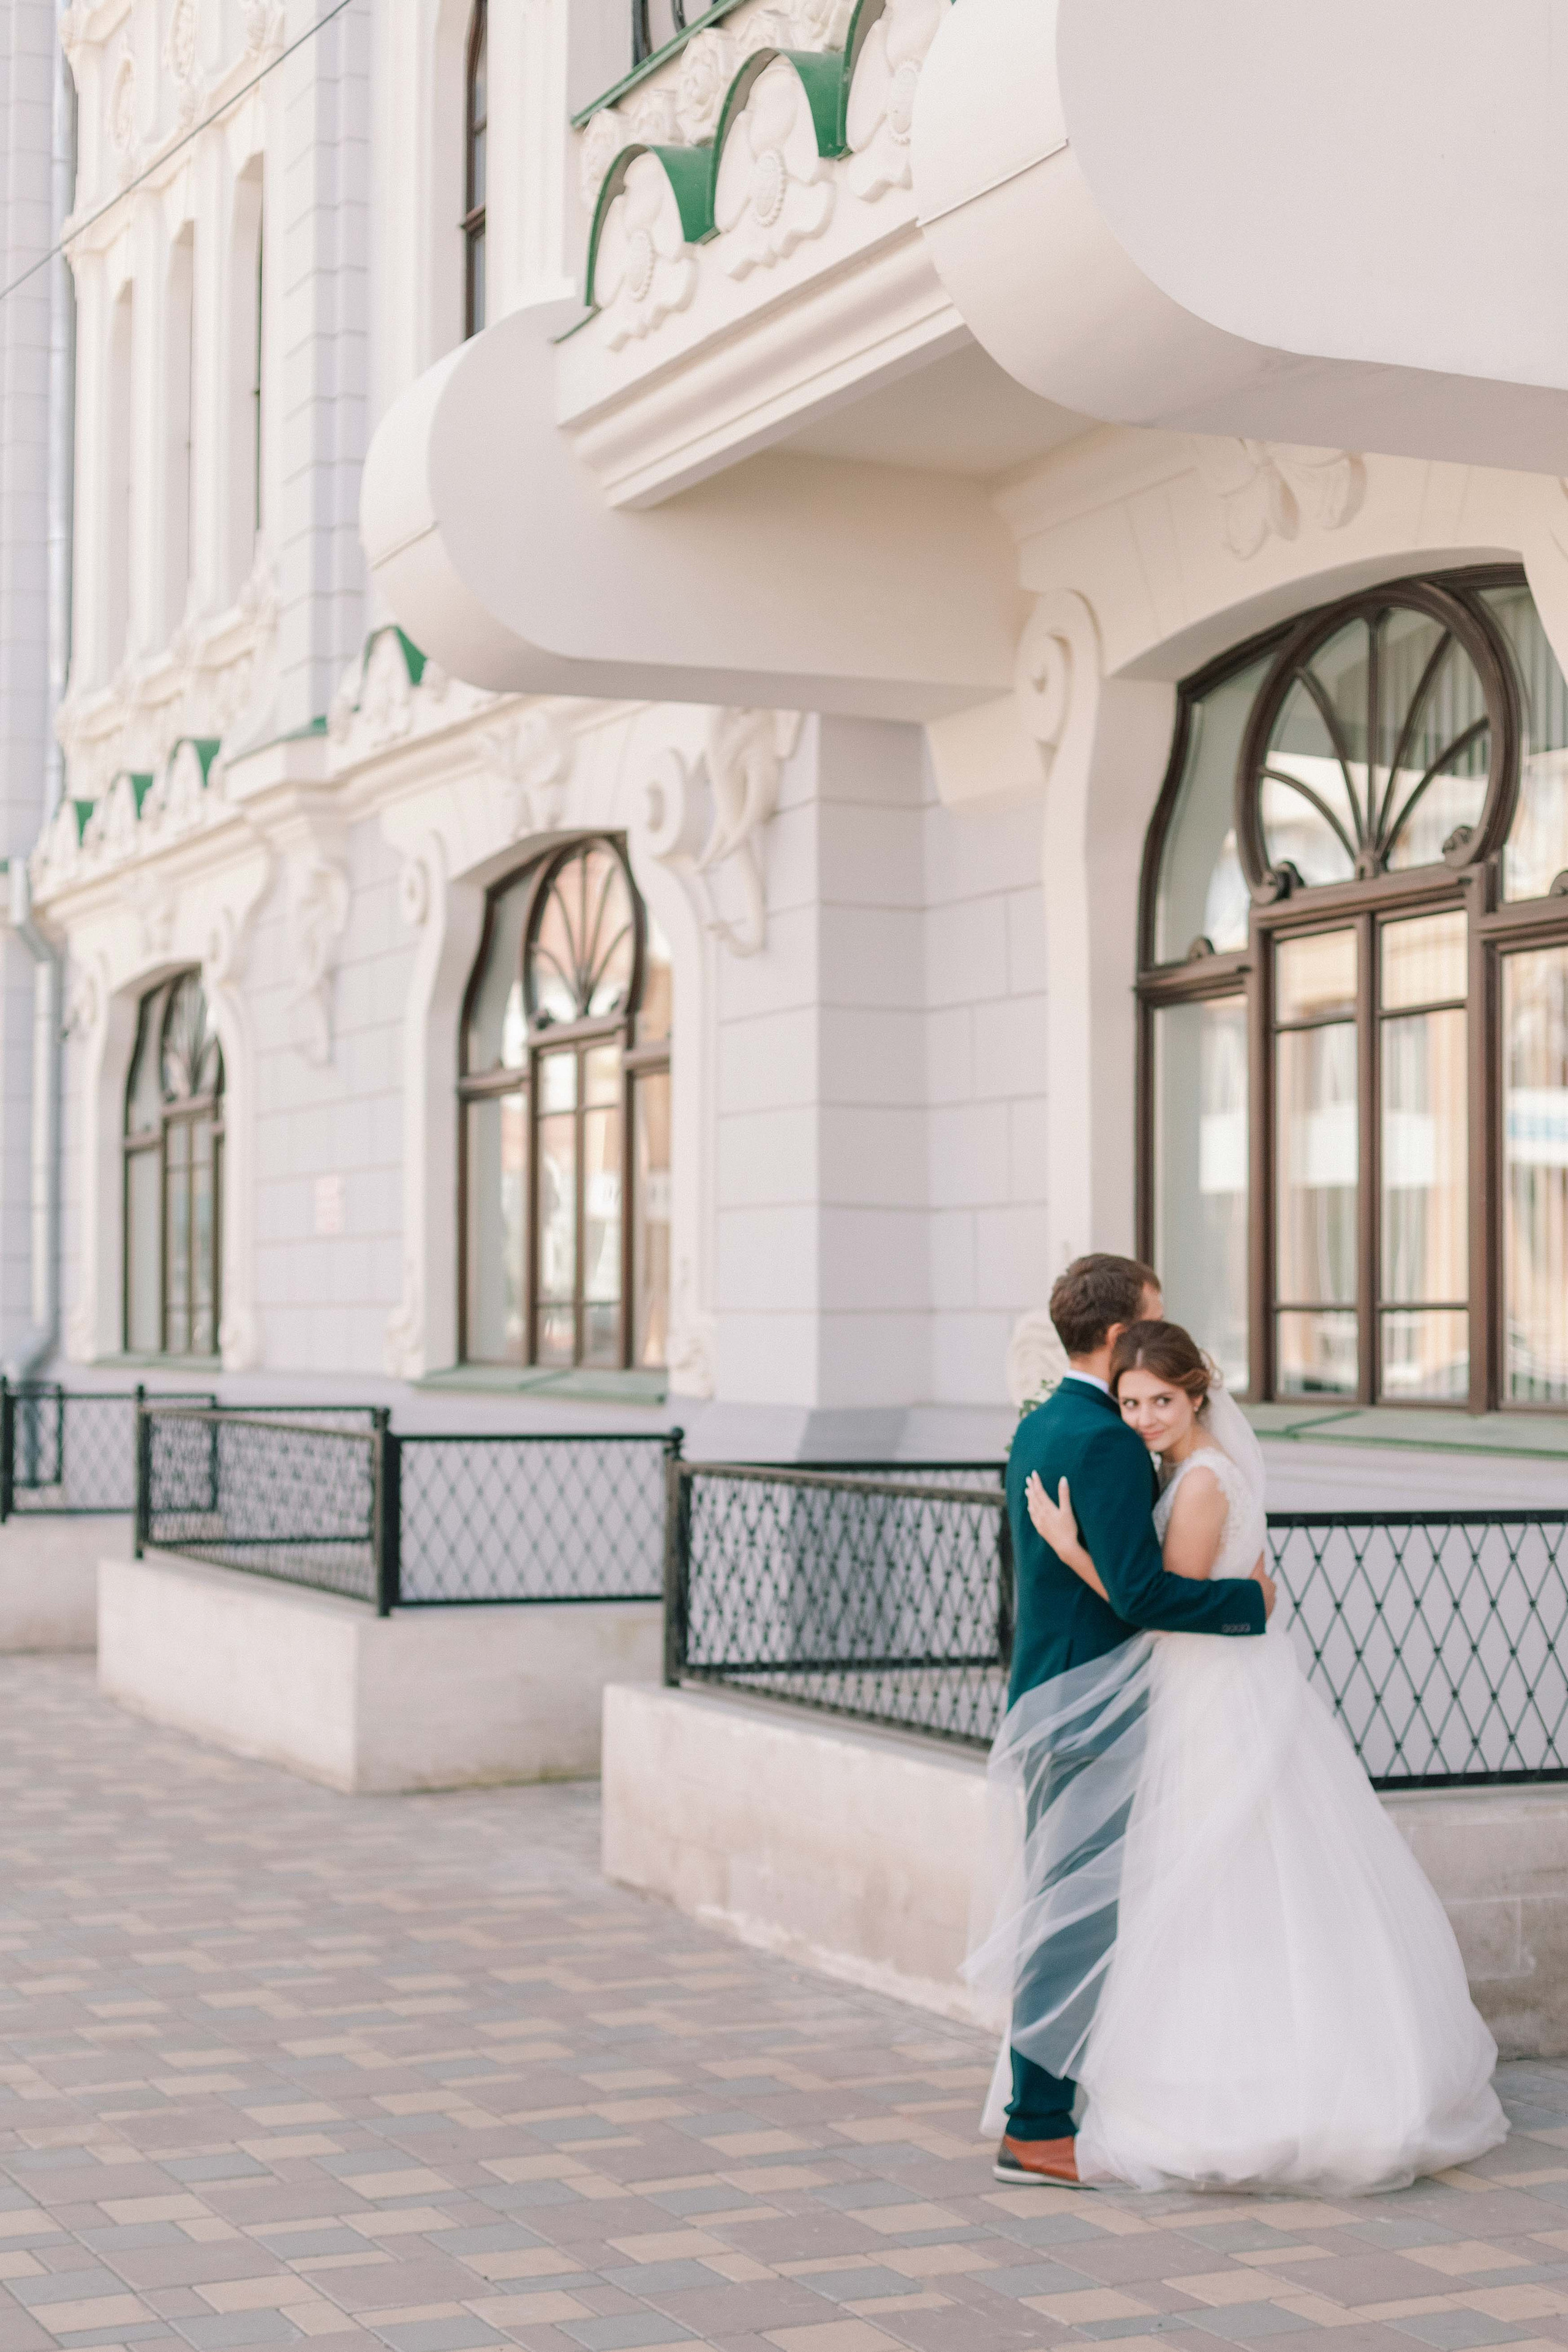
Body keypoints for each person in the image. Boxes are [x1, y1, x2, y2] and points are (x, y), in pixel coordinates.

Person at [1004, 1317, 1506, 2193]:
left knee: (1216, 1879)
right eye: (1132, 1402)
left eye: (1161, 1401)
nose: (1144, 1418)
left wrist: (1072, 1548)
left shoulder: (1200, 1481)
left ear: (1198, 1395)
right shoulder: (1179, 1468)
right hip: (1207, 1688)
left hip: (1209, 1697)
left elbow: (1154, 1603)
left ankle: (1246, 2090)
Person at [984, 1255, 1275, 2188]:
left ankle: (1061, 2106)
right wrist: (1249, 1603)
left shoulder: (1042, 1420)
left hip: (1051, 1688)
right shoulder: (1107, 1439)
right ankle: (1036, 2129)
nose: (1156, 1333)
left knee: (1071, 1903)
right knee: (1075, 1916)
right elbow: (1143, 1593)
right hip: (1090, 1705)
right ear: (1116, 1337)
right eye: (1150, 1319)